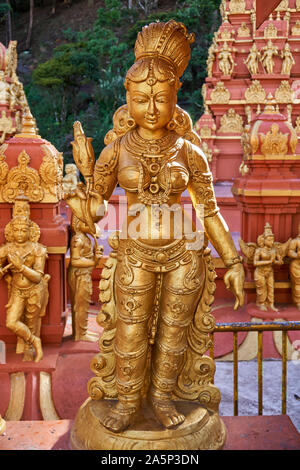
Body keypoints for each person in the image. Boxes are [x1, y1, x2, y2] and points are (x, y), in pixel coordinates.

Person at [66, 20, 244, 433]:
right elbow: (94, 212)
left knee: (173, 334)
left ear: (173, 99)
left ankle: (162, 397)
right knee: (129, 332)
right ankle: (128, 403)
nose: (150, 109)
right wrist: (85, 190)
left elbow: (210, 210)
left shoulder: (190, 151)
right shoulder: (116, 150)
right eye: (141, 99)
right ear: (127, 98)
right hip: (134, 253)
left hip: (184, 254)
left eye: (160, 99)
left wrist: (232, 261)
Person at [0, 194, 50, 362]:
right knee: (11, 322)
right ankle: (35, 341)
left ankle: (29, 348)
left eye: (24, 230)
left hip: (35, 290)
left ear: (30, 231)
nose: (20, 233)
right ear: (11, 232)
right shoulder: (7, 249)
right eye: (17, 230)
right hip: (16, 290)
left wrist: (20, 267)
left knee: (32, 321)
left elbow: (37, 277)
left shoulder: (38, 249)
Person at [67, 214, 103, 341]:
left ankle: (82, 331)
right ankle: (80, 334)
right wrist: (93, 261)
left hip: (84, 275)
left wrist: (96, 256)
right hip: (79, 275)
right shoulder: (78, 239)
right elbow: (75, 261)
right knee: (80, 304)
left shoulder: (85, 238)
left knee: (83, 304)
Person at [288, 223, 300, 309]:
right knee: (298, 284)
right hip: (296, 265)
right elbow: (290, 252)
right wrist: (297, 255)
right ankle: (298, 301)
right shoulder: (295, 241)